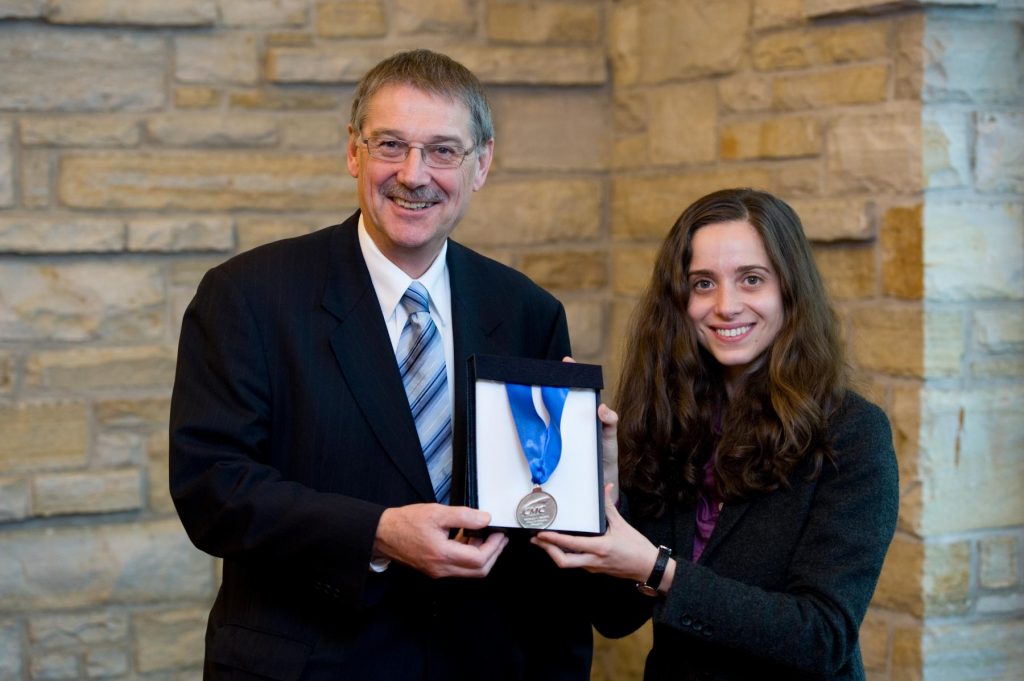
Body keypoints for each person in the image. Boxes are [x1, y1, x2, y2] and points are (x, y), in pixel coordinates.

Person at [169, 49, 594, 680]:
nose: (414, 173)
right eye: (391, 144)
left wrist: (587, 474)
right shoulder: (248, 296)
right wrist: (377, 532)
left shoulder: (527, 310)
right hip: (311, 664)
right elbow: (213, 488)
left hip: (482, 662)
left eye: (444, 150)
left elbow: (540, 513)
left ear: (482, 165)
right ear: (353, 153)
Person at [533, 188, 899, 681]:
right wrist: (602, 492)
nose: (726, 306)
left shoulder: (853, 432)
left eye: (751, 279)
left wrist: (659, 570)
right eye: (703, 284)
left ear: (790, 289)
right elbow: (615, 618)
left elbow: (821, 636)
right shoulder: (670, 417)